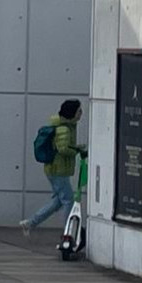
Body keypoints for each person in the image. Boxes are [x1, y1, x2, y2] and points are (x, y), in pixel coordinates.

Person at [23, 99, 85, 233]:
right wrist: (77, 151)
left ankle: (31, 223)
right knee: (68, 200)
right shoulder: (64, 129)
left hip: (55, 169)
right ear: (72, 113)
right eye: (79, 111)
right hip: (58, 169)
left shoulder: (64, 126)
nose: (81, 113)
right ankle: (68, 231)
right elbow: (63, 149)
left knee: (58, 201)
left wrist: (75, 147)